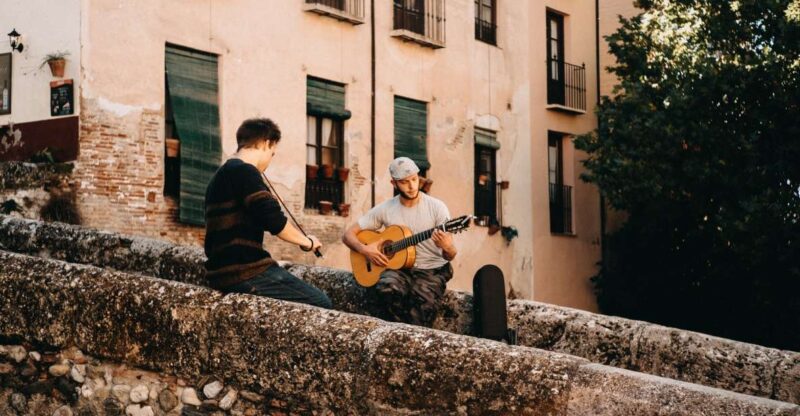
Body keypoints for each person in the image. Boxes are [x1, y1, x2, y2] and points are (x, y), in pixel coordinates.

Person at [204, 118, 332, 309]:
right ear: (266, 143)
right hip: (243, 271)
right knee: (321, 303)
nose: (270, 160)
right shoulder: (246, 172)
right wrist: (308, 242)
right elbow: (274, 222)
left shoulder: (219, 176)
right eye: (272, 154)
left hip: (218, 273)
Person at [342, 157, 457, 326]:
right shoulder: (386, 208)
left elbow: (451, 254)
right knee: (386, 289)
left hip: (431, 269)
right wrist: (365, 250)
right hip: (399, 268)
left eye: (414, 179)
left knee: (422, 309)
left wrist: (447, 247)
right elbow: (348, 235)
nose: (412, 186)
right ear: (394, 183)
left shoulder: (437, 207)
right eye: (404, 182)